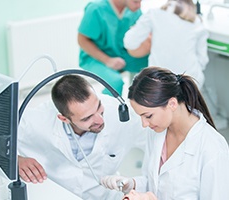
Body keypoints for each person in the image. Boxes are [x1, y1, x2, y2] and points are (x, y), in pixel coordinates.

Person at [101, 66, 229, 199]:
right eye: (141, 117)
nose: (144, 124)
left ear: (172, 104)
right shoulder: (157, 131)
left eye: (148, 116)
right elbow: (153, 182)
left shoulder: (213, 149)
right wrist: (131, 184)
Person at [17, 74, 147, 200]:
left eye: (99, 107)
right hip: (56, 195)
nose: (100, 120)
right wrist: (16, 160)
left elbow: (158, 138)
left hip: (105, 196)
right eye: (87, 118)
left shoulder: (120, 114)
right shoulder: (36, 120)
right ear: (64, 119)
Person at [123, 0, 209, 89]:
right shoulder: (198, 22)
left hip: (159, 81)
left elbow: (129, 43)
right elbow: (203, 61)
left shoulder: (154, 14)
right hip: (191, 82)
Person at [78, 0, 150, 96]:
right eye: (136, 1)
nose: (139, 6)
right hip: (95, 58)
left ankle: (136, 100)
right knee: (115, 82)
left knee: (150, 70)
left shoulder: (134, 11)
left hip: (122, 54)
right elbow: (82, 40)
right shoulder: (96, 9)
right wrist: (107, 60)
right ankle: (103, 107)